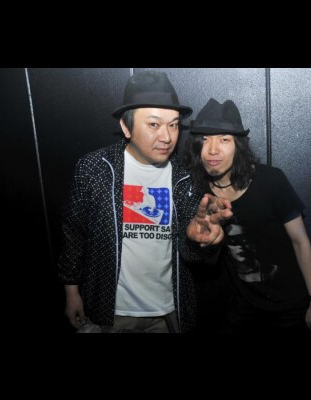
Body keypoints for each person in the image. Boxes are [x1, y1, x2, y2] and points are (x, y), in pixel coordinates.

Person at [58, 72, 231, 333]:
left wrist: (201, 240)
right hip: (110, 312)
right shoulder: (95, 168)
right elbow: (73, 233)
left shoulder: (185, 176)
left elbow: (192, 255)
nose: (167, 137)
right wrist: (71, 292)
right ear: (126, 127)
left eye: (173, 125)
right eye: (153, 125)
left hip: (168, 312)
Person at [184, 98, 311, 334]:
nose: (212, 150)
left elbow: (300, 241)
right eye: (205, 139)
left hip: (290, 303)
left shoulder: (271, 181)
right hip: (243, 303)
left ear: (239, 145)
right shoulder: (199, 193)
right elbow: (208, 259)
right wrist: (206, 242)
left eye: (224, 139)